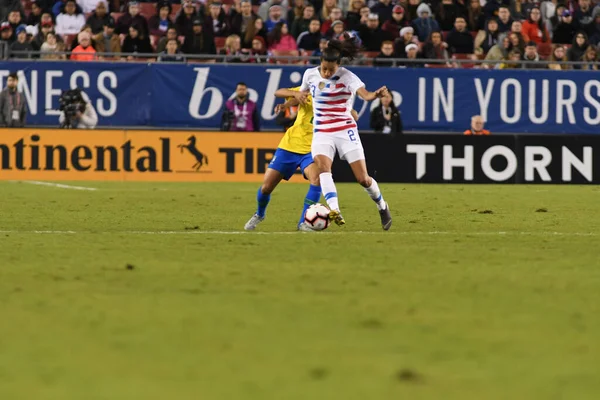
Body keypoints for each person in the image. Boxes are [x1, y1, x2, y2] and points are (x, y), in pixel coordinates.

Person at [297, 33, 392, 230]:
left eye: (331, 70)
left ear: (338, 65)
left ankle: (382, 205)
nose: (326, 73)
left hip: (345, 130)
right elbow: (303, 93)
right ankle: (335, 210)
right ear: (320, 62)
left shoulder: (348, 77)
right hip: (322, 131)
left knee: (363, 179)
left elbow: (365, 95)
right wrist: (290, 100)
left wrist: (376, 94)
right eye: (324, 68)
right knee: (324, 169)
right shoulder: (309, 74)